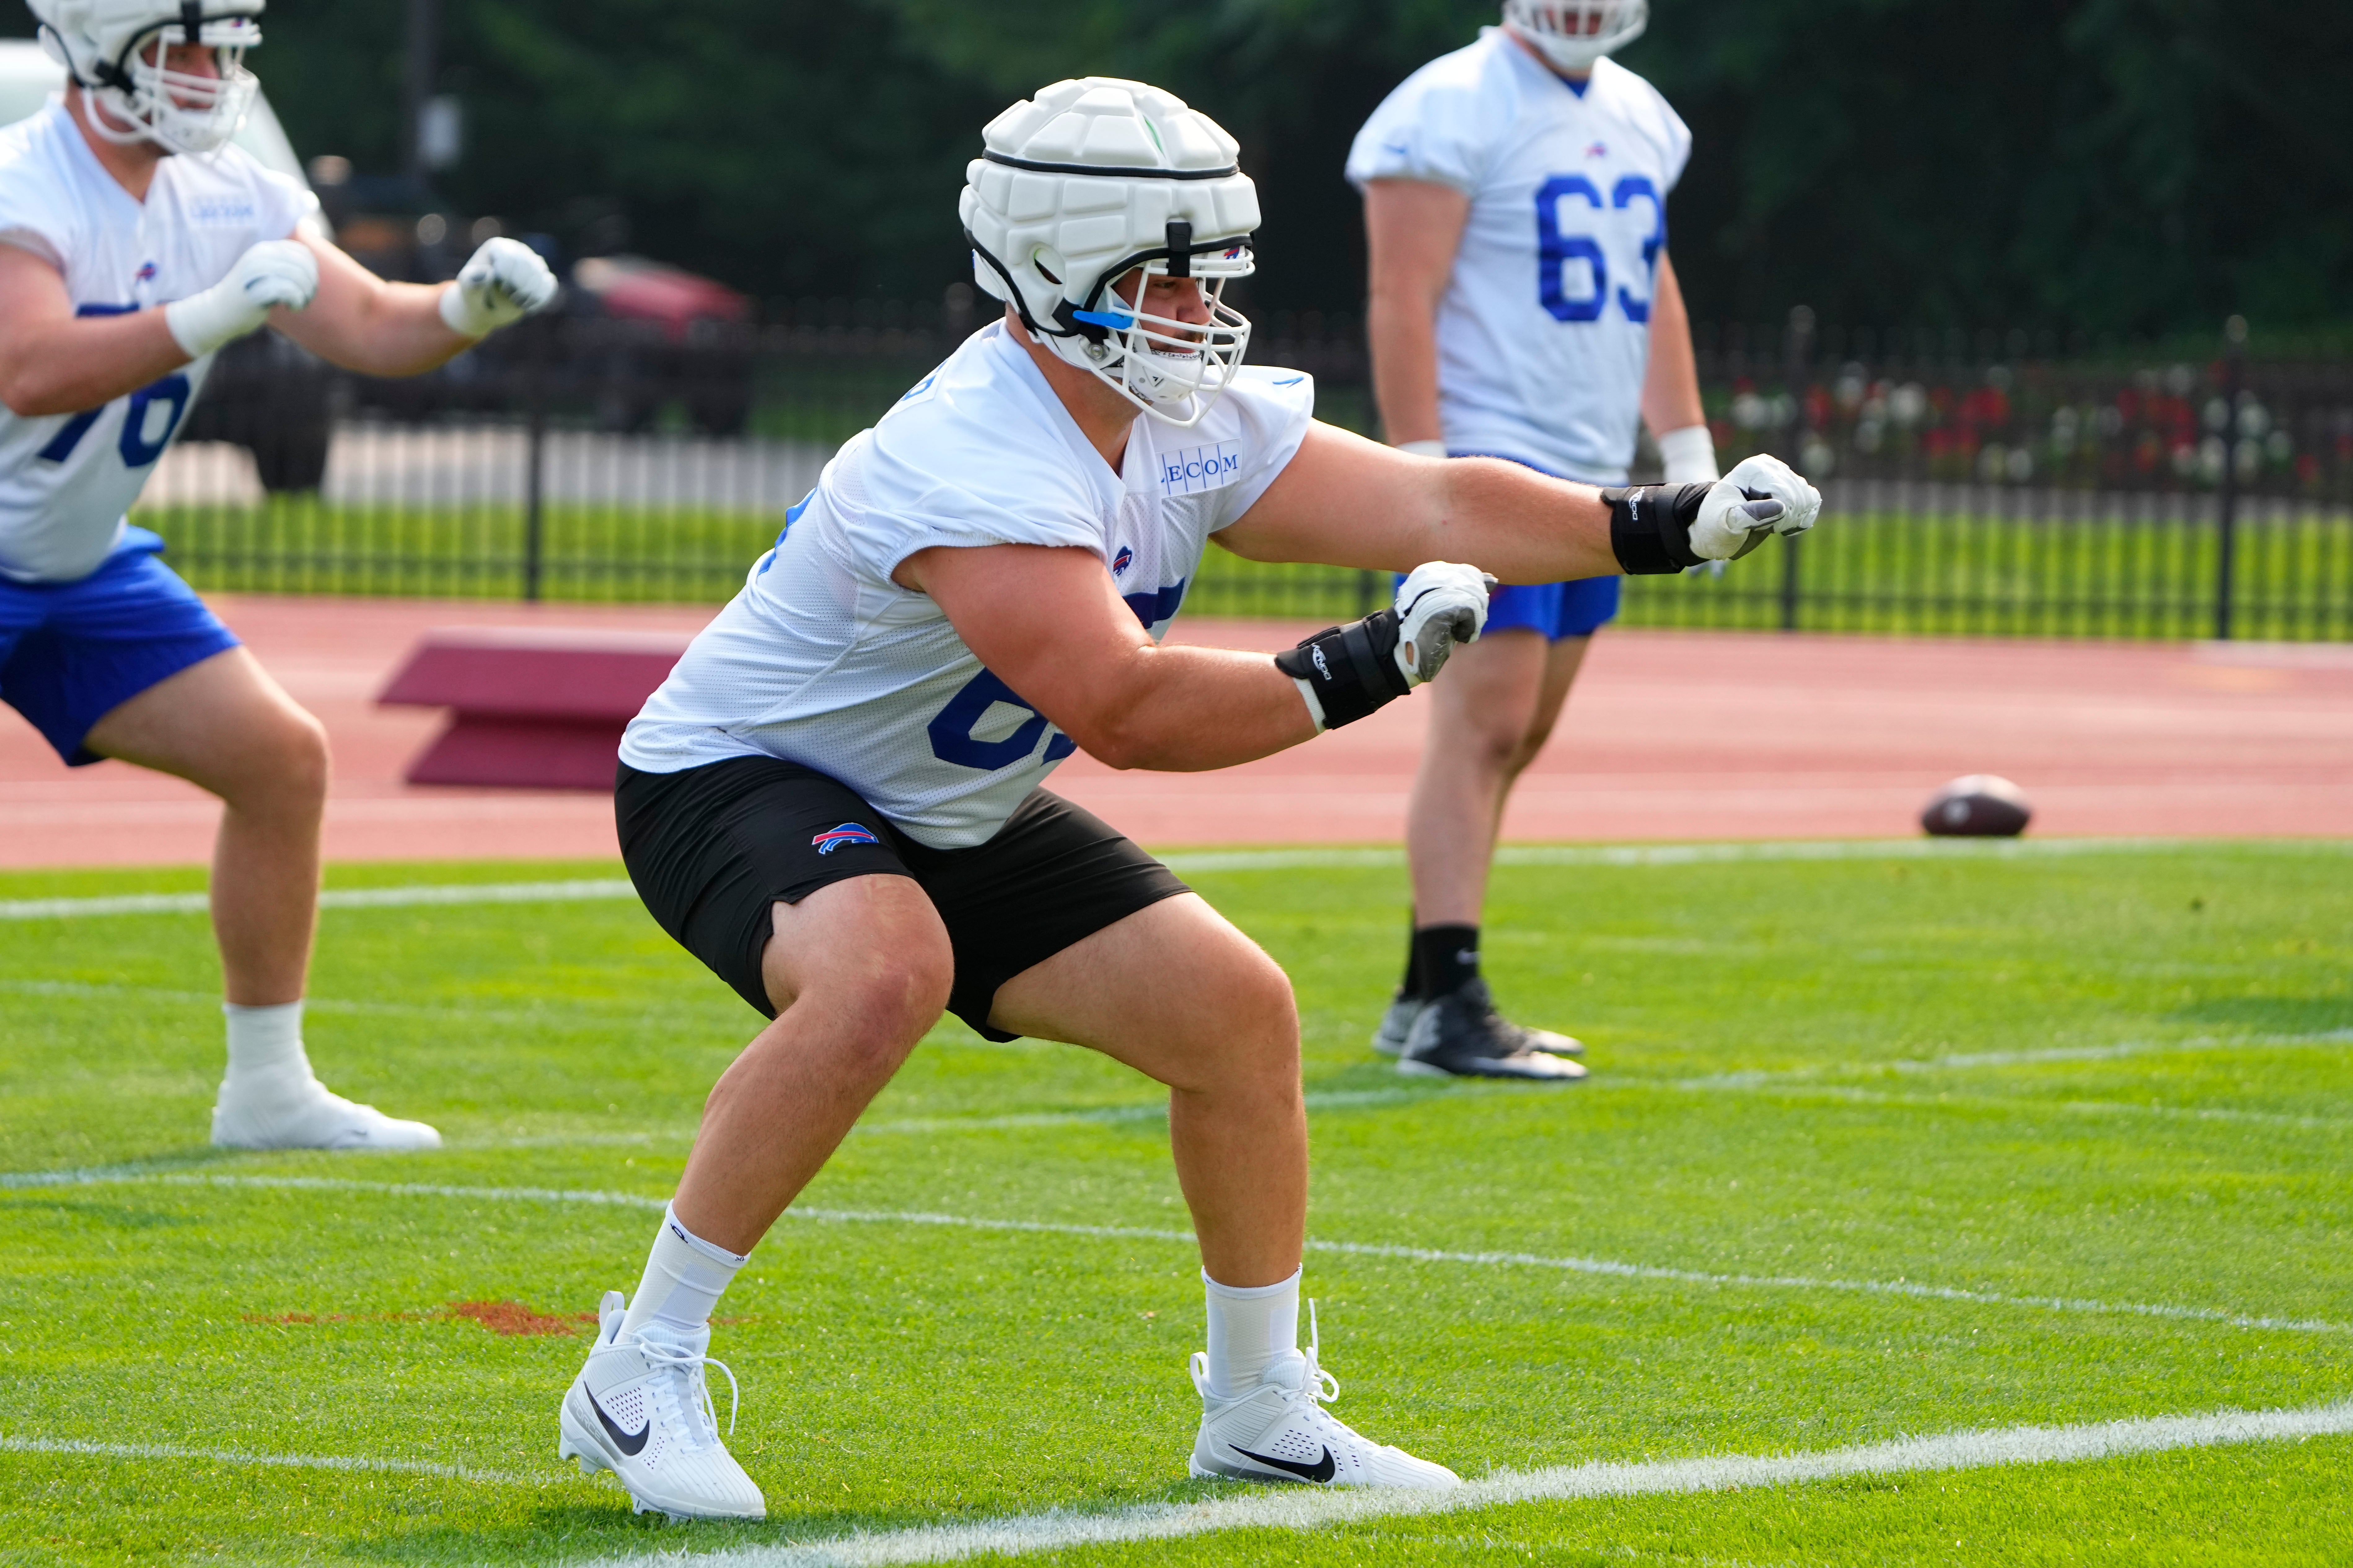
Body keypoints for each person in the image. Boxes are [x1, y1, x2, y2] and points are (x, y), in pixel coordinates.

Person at [560, 76, 1817, 1521]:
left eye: (1207, 277)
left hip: (943, 795)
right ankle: (639, 1365)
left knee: (1238, 1013)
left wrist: (1661, 527)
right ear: (1055, 268)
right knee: (884, 971)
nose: (1196, 311)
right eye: (1163, 282)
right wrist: (1354, 670)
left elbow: (1430, 502)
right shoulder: (975, 448)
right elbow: (1126, 707)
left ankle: (1262, 1412)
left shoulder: (1176, 414)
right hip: (740, 778)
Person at [0, 0, 557, 1149]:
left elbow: (373, 328)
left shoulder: (230, 192)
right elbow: (31, 369)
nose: (213, 76)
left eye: (225, 50)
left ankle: (266, 1089)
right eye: (185, 49)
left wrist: (463, 311)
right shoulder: (23, 179)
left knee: (278, 759)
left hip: (71, 563)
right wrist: (206, 315)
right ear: (98, 49)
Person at [1346, 0, 1722, 1079]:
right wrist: (1420, 473)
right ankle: (1451, 994)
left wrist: (1685, 447)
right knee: (1485, 726)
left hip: (1592, 468)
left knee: (1521, 731)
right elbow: (1398, 295)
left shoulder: (1642, 112)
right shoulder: (1448, 105)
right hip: (1487, 460)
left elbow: (1649, 284)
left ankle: (1424, 993)